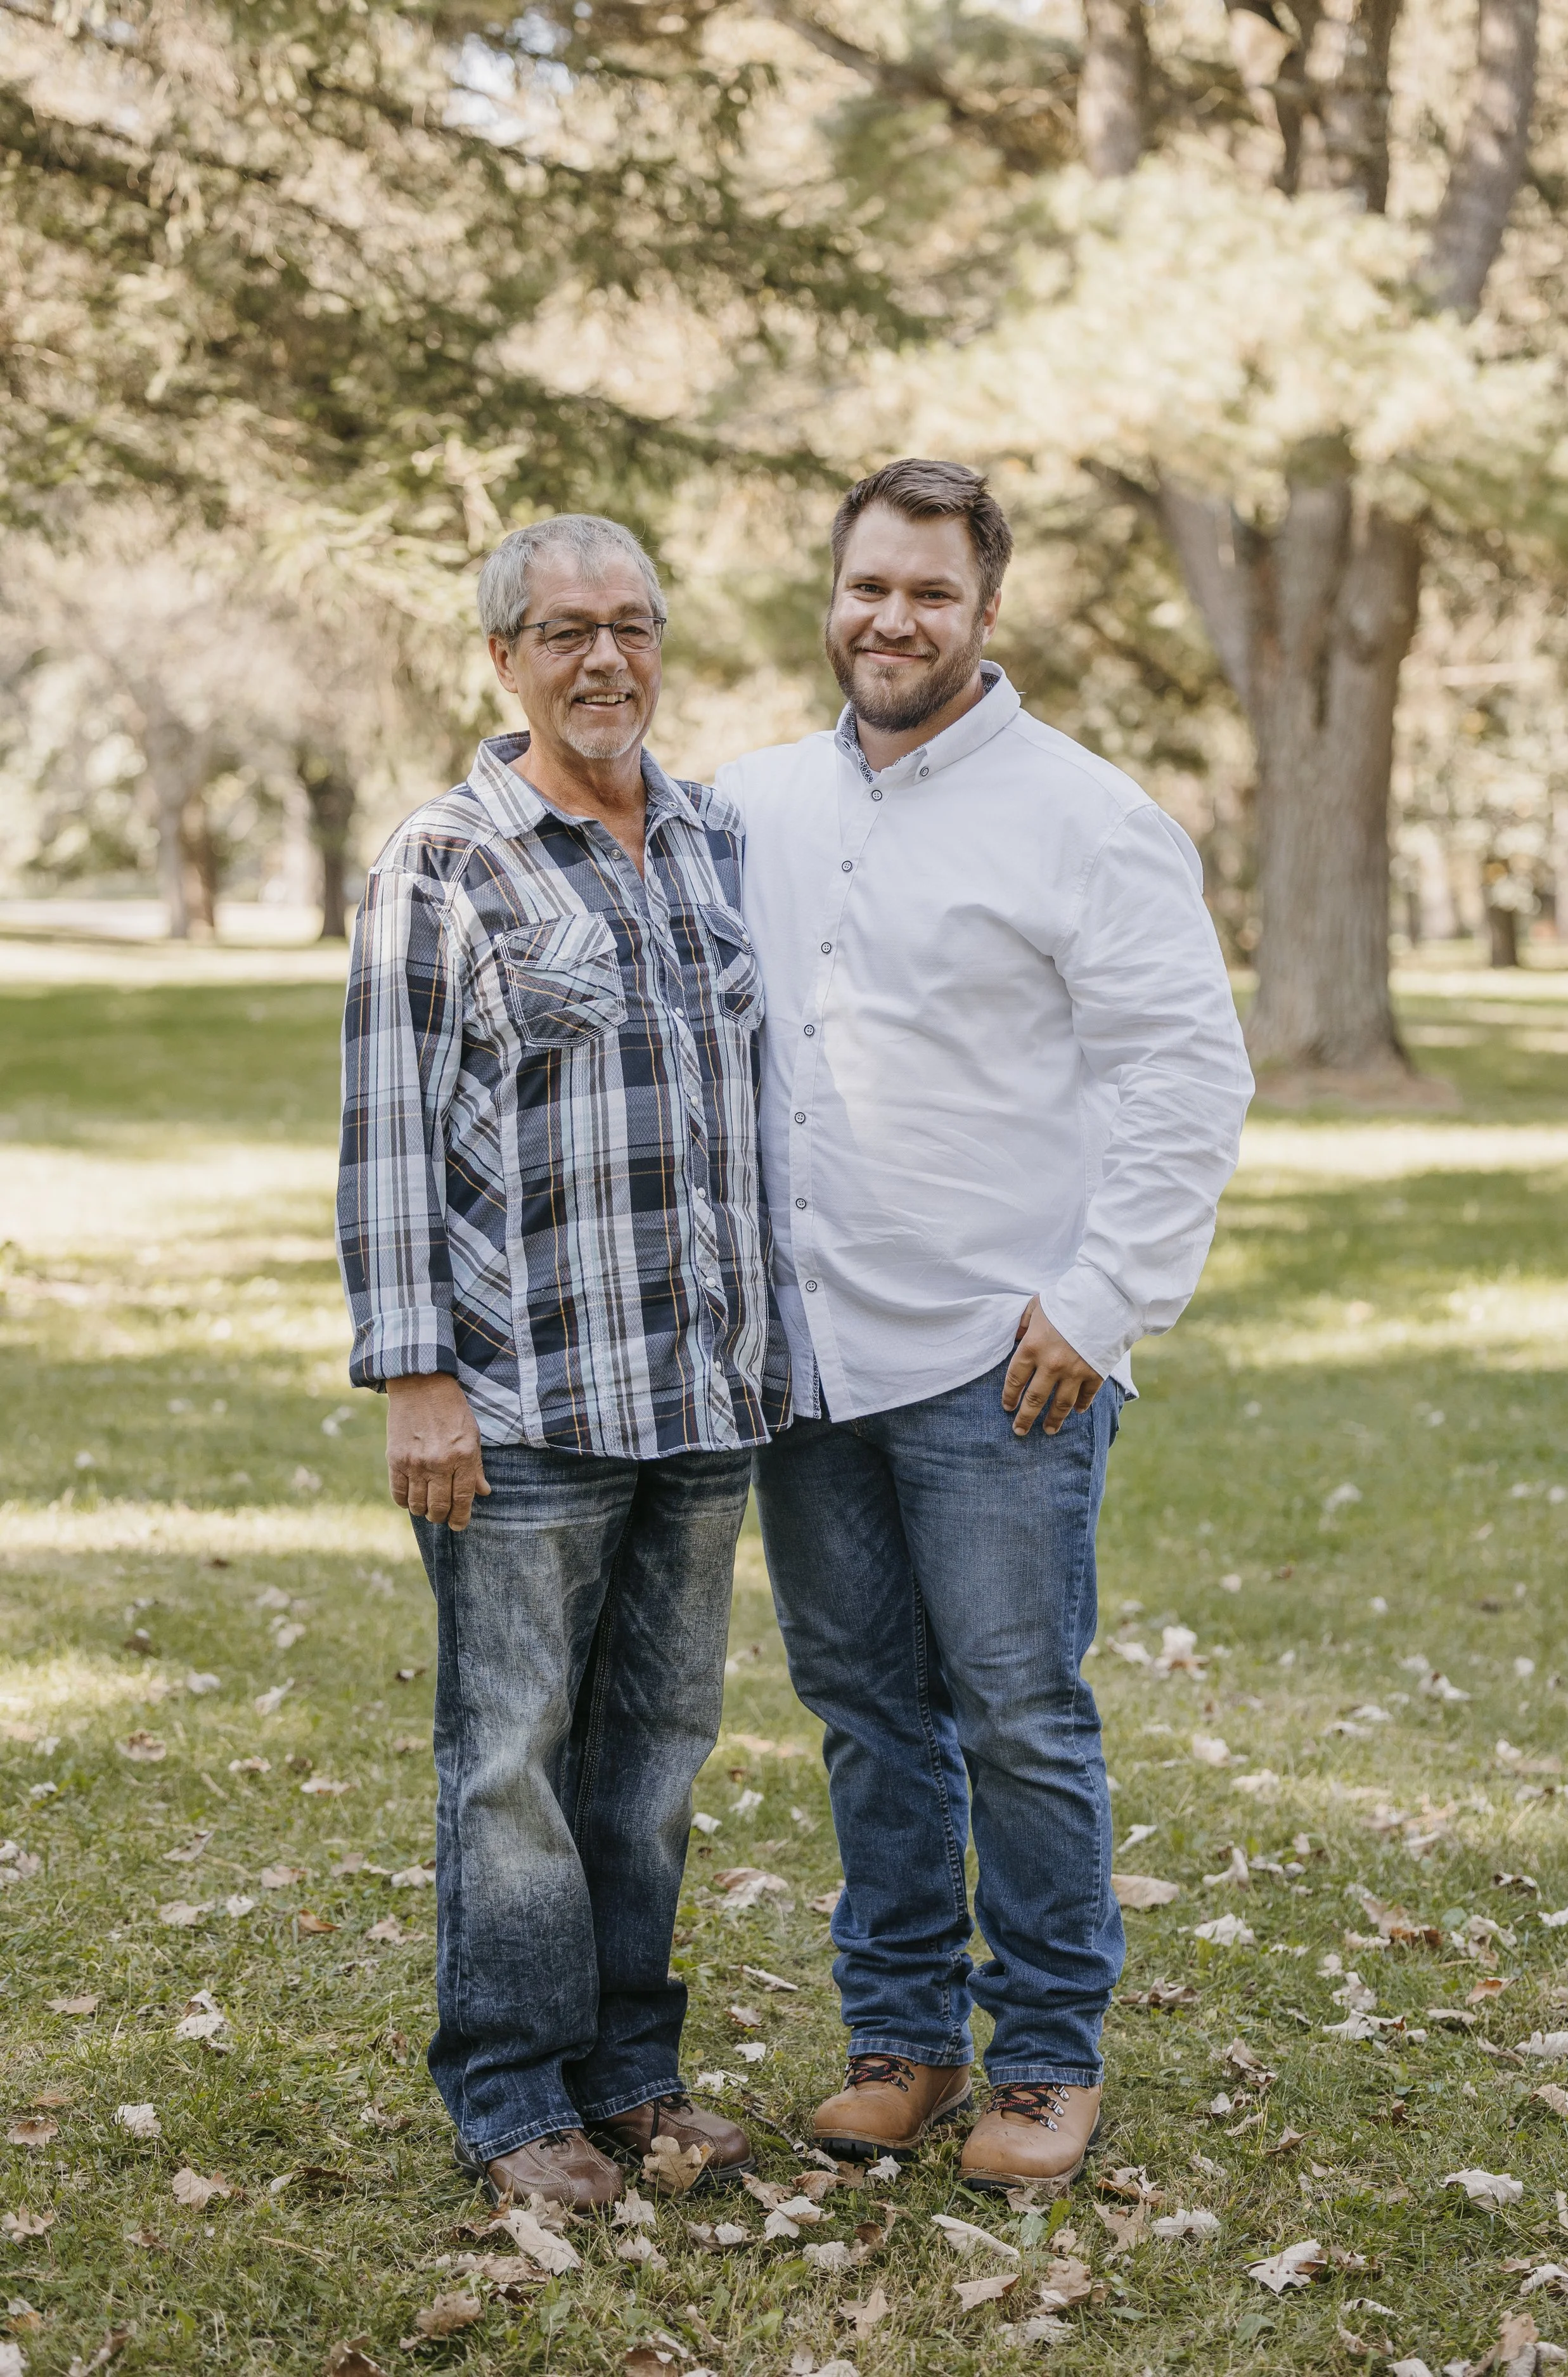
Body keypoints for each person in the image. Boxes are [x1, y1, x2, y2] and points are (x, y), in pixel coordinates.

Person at [718, 458, 1253, 2191]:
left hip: (999, 1356)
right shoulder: (751, 804)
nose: (891, 619)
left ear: (985, 613)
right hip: (805, 1359)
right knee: (867, 1708)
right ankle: (900, 2041)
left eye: (928, 593)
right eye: (867, 586)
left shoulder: (1084, 815)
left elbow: (1187, 1075)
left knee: (1016, 1711)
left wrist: (1097, 1303)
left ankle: (1043, 2055)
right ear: (834, 593)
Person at [335, 513, 786, 2208]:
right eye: (564, 630)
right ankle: (512, 2089)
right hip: (521, 1399)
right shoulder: (442, 861)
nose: (605, 658)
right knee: (510, 1757)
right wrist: (415, 1377)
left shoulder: (716, 839)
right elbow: (384, 1140)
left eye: (632, 624)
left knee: (655, 1753)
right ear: (502, 657)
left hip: (698, 1390)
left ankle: (632, 2069)